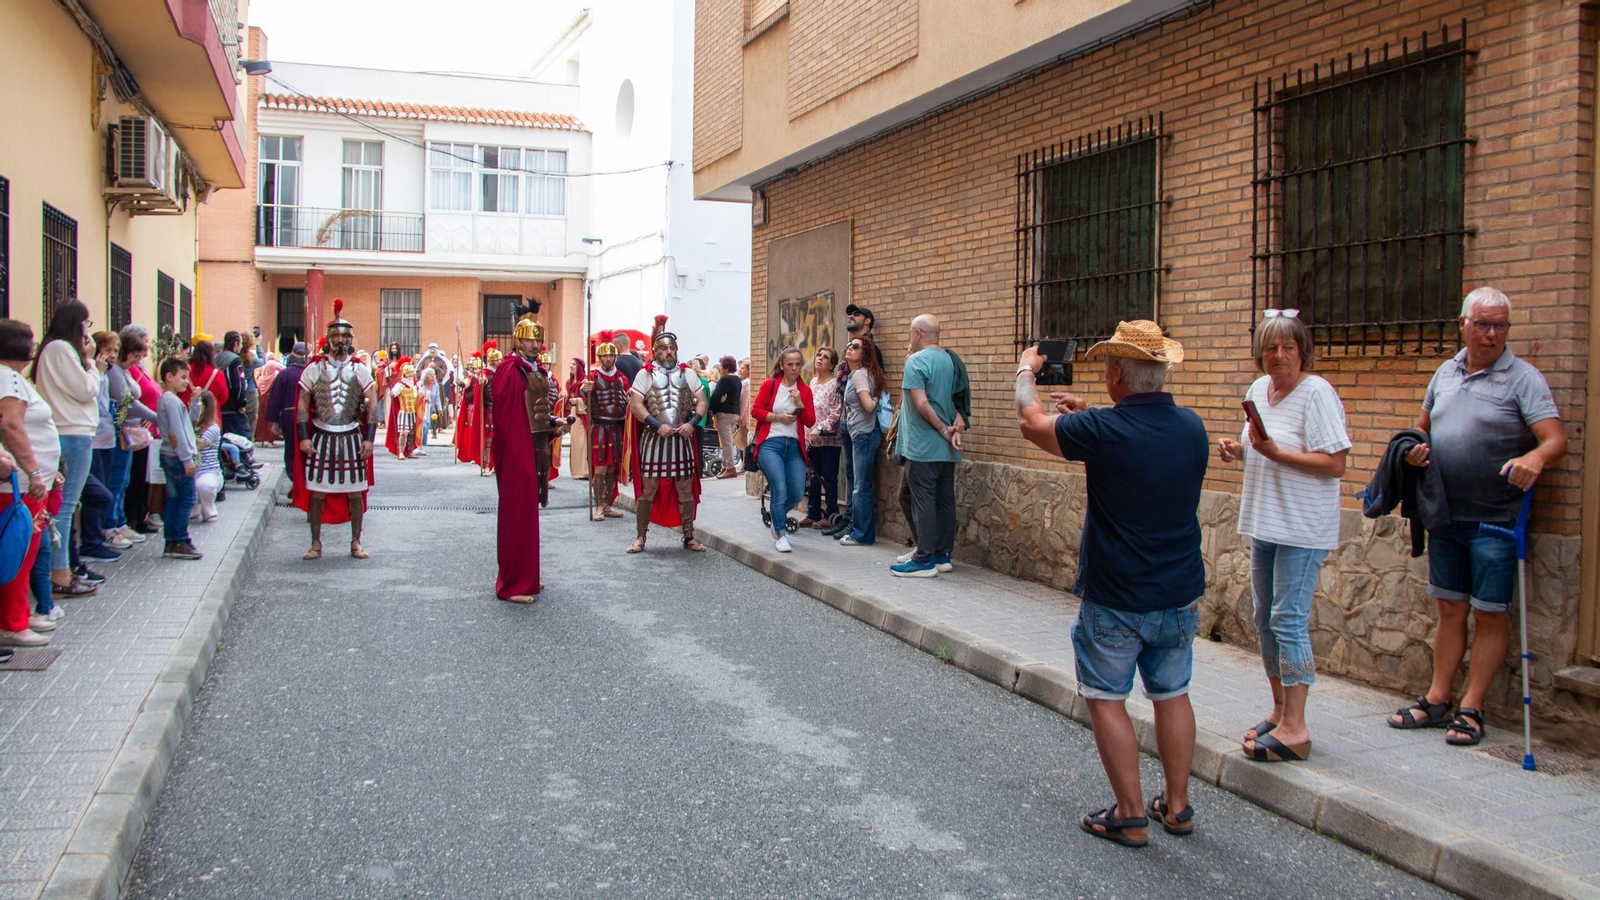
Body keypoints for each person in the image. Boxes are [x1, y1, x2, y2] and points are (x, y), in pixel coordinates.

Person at [1015, 319, 1206, 848]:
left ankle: (1129, 813)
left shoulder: (1104, 431)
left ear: (1118, 373)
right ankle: (1178, 805)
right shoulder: (1191, 427)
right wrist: (1092, 418)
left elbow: (1032, 423)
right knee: (1173, 694)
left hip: (1118, 594)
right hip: (1180, 591)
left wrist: (1025, 373)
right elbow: (1137, 446)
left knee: (1106, 697)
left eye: (1106, 367)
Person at [1386, 287, 1566, 747]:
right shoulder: (1445, 373)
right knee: (1449, 608)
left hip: (1495, 519)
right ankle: (1437, 698)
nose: (1491, 333)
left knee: (1488, 613)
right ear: (1462, 324)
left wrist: (1536, 459)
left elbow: (1554, 439)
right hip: (1444, 514)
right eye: (1483, 324)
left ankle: (1472, 708)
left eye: (1500, 325)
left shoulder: (1523, 379)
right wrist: (1414, 449)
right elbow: (1421, 424)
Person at [1215, 310, 1350, 762]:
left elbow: (1335, 464)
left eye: (1288, 347)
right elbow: (1258, 448)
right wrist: (1237, 450)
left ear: (1302, 351)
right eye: (1270, 348)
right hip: (1265, 521)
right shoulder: (1258, 390)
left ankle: (1297, 726)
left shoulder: (1317, 393)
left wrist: (1277, 453)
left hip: (1302, 527)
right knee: (1263, 617)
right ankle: (1278, 709)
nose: (1278, 355)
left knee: (1288, 619)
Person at [30, 299, 103, 597]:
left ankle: (62, 570)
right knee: (64, 506)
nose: (88, 331)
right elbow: (86, 389)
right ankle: (59, 575)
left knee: (66, 505)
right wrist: (92, 363)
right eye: (87, 323)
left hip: (73, 432)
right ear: (76, 323)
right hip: (71, 432)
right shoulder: (61, 349)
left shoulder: (55, 349)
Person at [490, 305, 563, 602]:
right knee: (516, 517)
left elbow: (536, 413)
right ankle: (513, 584)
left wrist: (555, 424)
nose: (535, 344)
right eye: (529, 339)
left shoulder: (535, 369)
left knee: (529, 516)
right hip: (517, 454)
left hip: (534, 451)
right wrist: (518, 454)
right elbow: (509, 418)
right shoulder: (509, 370)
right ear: (518, 340)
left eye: (538, 339)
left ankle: (528, 574)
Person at [294, 300, 377, 560]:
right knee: (318, 492)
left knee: (354, 491)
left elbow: (372, 405)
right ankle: (316, 543)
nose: (340, 340)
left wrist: (370, 439)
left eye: (345, 335)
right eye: (336, 335)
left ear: (351, 338)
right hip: (321, 435)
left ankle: (355, 542)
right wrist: (304, 438)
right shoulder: (314, 369)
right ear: (328, 338)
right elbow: (303, 405)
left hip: (352, 435)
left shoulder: (361, 370)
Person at [0, 320, 64, 646]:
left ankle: (19, 616)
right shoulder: (7, 378)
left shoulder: (13, 379)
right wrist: (35, 472)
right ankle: (12, 623)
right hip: (19, 485)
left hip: (26, 482)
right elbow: (11, 427)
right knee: (18, 550)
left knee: (25, 550)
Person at [626, 316, 708, 554]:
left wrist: (692, 423)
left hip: (682, 439)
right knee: (649, 488)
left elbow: (701, 402)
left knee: (684, 488)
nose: (669, 352)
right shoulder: (645, 374)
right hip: (653, 439)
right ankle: (640, 537)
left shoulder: (688, 374)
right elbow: (636, 404)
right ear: (656, 351)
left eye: (672, 348)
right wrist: (654, 425)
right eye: (664, 348)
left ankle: (689, 537)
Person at [889, 317, 961, 576]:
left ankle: (923, 559)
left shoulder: (916, 362)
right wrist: (954, 427)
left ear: (918, 333)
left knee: (923, 501)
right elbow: (961, 397)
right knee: (943, 500)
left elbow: (921, 404)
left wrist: (943, 429)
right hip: (947, 448)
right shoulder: (952, 360)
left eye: (910, 333)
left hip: (923, 445)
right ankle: (941, 555)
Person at [752, 347, 816, 553]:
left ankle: (776, 516)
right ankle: (780, 533)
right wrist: (778, 417)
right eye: (790, 364)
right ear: (782, 365)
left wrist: (799, 403)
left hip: (794, 447)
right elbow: (756, 411)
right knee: (779, 489)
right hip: (770, 444)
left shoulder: (804, 390)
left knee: (796, 492)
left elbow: (810, 421)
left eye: (798, 364)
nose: (794, 368)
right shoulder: (770, 385)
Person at [839, 337, 888, 547]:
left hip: (865, 435)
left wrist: (877, 398)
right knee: (860, 483)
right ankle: (861, 532)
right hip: (861, 433)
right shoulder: (855, 374)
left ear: (865, 352)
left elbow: (868, 406)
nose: (850, 348)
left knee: (860, 485)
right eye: (849, 345)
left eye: (856, 346)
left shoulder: (859, 374)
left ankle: (862, 534)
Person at [156, 357, 203, 560]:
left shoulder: (172, 400)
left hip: (171, 456)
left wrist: (196, 401)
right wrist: (186, 459)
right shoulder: (170, 401)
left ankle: (172, 542)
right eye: (183, 377)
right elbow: (177, 432)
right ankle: (181, 540)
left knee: (174, 499)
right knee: (187, 499)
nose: (187, 381)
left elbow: (189, 421)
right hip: (177, 458)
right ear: (169, 377)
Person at [582, 333, 629, 521]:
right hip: (600, 427)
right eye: (604, 356)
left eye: (611, 356)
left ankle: (608, 504)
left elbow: (629, 398)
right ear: (599, 358)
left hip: (616, 427)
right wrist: (584, 389)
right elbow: (580, 392)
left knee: (611, 469)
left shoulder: (621, 377)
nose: (608, 359)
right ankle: (599, 506)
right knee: (600, 468)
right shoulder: (592, 377)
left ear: (615, 357)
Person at [804, 347, 843, 527]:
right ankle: (812, 513)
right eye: (819, 355)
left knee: (828, 478)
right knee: (813, 477)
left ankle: (830, 515)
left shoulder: (835, 384)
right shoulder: (812, 382)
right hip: (811, 439)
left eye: (825, 357)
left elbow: (836, 413)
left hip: (828, 440)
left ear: (832, 365)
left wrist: (819, 428)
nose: (820, 359)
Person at [265, 342, 308, 471]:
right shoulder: (310, 373)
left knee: (291, 448)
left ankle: (294, 475)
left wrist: (274, 421)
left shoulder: (285, 374)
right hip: (307, 416)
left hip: (290, 416)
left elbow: (276, 398)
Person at [708, 355, 744, 479]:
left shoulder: (725, 380)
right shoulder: (737, 380)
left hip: (724, 412)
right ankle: (725, 466)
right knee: (727, 440)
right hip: (734, 412)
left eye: (722, 366)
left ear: (726, 367)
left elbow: (716, 396)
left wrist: (711, 408)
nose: (720, 369)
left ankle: (730, 467)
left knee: (726, 442)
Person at [455, 352, 489, 472]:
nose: (477, 370)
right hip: (472, 406)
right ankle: (471, 453)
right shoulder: (471, 378)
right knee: (471, 428)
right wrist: (460, 382)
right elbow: (465, 384)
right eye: (475, 368)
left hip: (484, 407)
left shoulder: (485, 377)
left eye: (479, 368)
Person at [192, 391, 223, 523]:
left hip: (209, 471)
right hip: (192, 469)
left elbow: (197, 446)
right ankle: (194, 508)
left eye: (197, 403)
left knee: (203, 485)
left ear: (206, 406)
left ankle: (209, 510)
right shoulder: (192, 424)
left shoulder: (213, 428)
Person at [217, 331, 250, 437]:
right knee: (242, 438)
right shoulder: (236, 360)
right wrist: (242, 402)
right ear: (236, 343)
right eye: (240, 344)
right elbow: (238, 383)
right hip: (233, 407)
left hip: (219, 406)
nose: (241, 347)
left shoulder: (216, 358)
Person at [385, 359, 420, 459]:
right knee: (404, 432)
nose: (413, 373)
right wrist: (392, 393)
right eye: (411, 372)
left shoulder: (415, 384)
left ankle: (410, 451)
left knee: (412, 432)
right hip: (404, 411)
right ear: (406, 373)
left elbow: (421, 395)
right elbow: (394, 393)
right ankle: (401, 452)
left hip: (413, 412)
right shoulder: (400, 384)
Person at [565, 358, 591, 481]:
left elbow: (589, 400)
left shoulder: (585, 382)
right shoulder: (569, 383)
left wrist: (578, 401)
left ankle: (585, 470)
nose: (571, 366)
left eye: (574, 364)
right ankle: (577, 470)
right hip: (573, 414)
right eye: (571, 363)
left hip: (582, 414)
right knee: (575, 442)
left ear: (579, 367)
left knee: (583, 442)